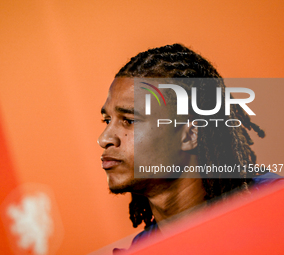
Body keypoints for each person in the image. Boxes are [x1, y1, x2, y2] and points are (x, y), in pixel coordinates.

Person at [97, 44, 279, 250]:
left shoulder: (275, 206)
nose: (104, 139)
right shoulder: (143, 248)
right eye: (107, 120)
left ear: (190, 134)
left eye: (129, 120)